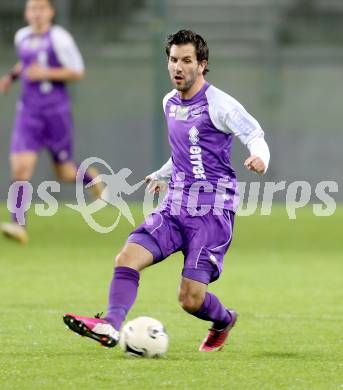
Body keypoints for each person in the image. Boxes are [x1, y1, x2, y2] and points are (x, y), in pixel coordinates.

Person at [63, 30, 270, 352]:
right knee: (127, 257)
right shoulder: (169, 102)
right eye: (173, 60)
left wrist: (261, 157)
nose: (178, 67)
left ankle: (224, 319)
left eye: (186, 60)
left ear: (202, 65)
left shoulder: (220, 104)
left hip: (212, 212)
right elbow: (187, 149)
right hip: (175, 204)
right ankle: (110, 325)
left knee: (189, 299)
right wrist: (163, 173)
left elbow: (254, 133)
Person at [0, 0, 101, 244]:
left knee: (64, 172)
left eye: (41, 8)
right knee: (21, 169)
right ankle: (18, 224)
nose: (36, 13)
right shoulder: (22, 36)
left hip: (55, 113)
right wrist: (11, 76)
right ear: (26, 13)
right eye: (32, 9)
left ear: (50, 12)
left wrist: (45, 74)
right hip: (28, 113)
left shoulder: (60, 38)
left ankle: (92, 179)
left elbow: (77, 71)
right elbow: (25, 63)